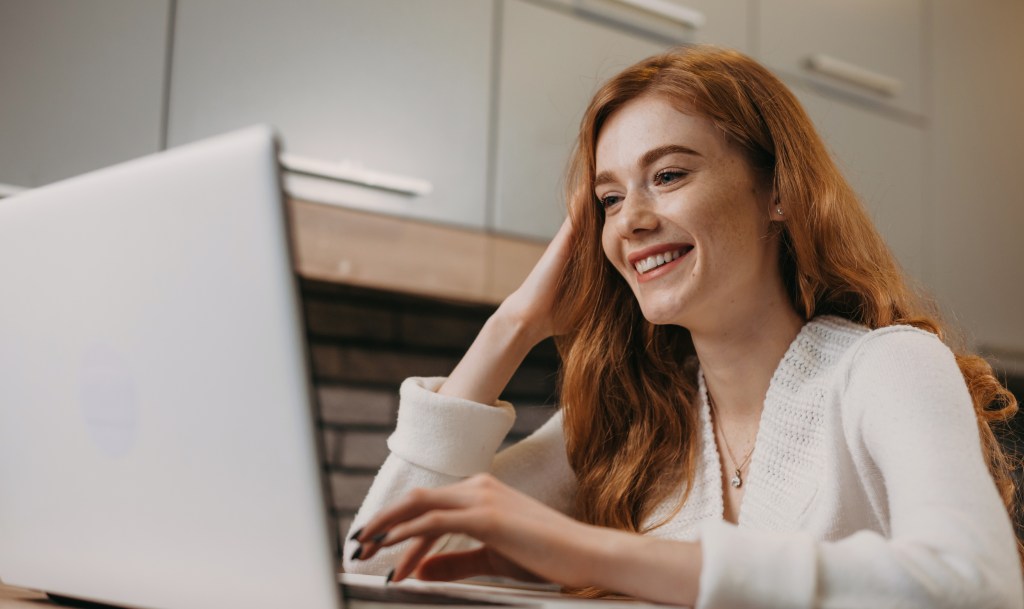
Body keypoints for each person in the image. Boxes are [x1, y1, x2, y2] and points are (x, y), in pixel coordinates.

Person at [342, 45, 1023, 608]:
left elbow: (979, 587)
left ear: (778, 191)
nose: (631, 219)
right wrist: (514, 324)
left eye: (667, 174)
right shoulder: (625, 418)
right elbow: (382, 566)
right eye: (609, 199)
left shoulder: (889, 369)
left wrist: (597, 553)